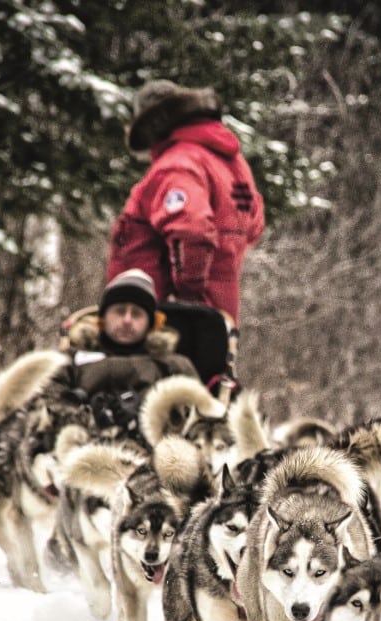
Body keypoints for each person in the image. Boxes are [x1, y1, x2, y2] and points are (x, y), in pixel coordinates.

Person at [106, 79, 266, 390]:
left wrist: (186, 299)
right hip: (217, 319)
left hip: (166, 326)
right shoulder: (231, 164)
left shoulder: (178, 164)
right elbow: (254, 224)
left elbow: (191, 229)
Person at [58, 269, 200, 441]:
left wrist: (146, 414)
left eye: (136, 314)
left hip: (155, 453)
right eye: (119, 311)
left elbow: (196, 416)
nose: (127, 320)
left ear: (150, 323)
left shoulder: (174, 365)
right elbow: (45, 400)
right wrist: (81, 415)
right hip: (77, 446)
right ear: (102, 317)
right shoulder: (72, 359)